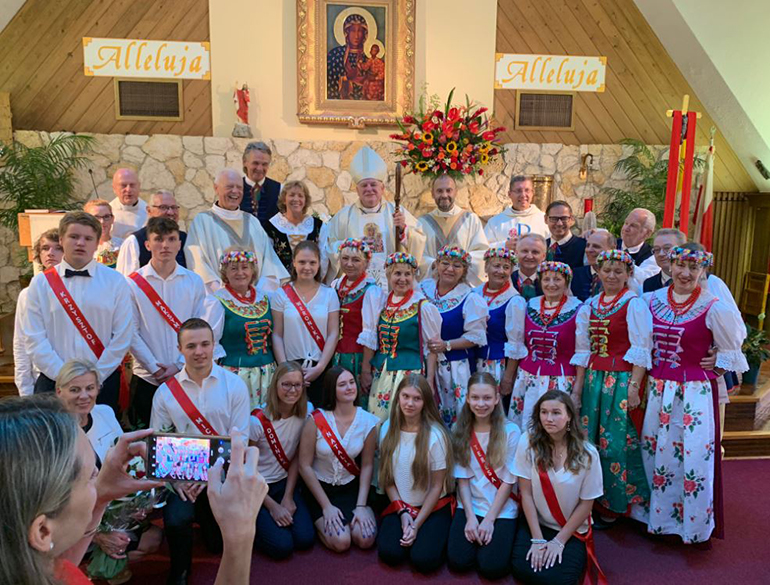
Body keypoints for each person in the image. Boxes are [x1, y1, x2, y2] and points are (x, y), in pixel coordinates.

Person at [0, 394, 267, 585]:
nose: (99, 473)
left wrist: (102, 494)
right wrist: (239, 537)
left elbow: (60, 567)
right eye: (91, 475)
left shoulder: (34, 567)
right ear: (43, 530)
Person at [638, 244, 748, 544]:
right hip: (658, 388)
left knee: (693, 454)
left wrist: (718, 364)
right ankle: (657, 518)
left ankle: (691, 525)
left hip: (694, 393)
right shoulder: (650, 300)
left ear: (703, 271)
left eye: (693, 268)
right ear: (669, 266)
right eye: (680, 266)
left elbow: (731, 353)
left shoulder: (714, 306)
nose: (685, 273)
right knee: (655, 450)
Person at [150, 318, 251, 582]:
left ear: (214, 345)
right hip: (182, 478)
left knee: (216, 543)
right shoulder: (165, 393)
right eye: (191, 346)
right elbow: (158, 444)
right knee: (175, 520)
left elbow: (240, 440)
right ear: (179, 349)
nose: (199, 352)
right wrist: (175, 480)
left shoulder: (235, 385)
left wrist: (210, 478)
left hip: (224, 475)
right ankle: (180, 572)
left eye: (205, 344)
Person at [55, 360, 162, 579]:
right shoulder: (51, 433)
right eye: (75, 390)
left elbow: (125, 464)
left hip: (111, 510)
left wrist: (135, 504)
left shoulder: (104, 412)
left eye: (90, 388)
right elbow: (52, 501)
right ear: (59, 392)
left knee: (151, 542)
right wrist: (98, 535)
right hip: (70, 522)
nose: (84, 396)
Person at [22, 211, 133, 413]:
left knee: (102, 442)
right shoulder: (41, 283)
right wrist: (64, 378)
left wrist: (94, 378)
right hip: (53, 383)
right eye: (74, 237)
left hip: (102, 382)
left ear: (97, 242)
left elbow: (123, 336)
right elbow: (33, 337)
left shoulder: (116, 282)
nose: (80, 243)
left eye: (88, 238)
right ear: (62, 239)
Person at [573, 250, 652, 525]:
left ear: (628, 274)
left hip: (619, 381)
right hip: (594, 380)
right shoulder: (591, 305)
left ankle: (617, 503)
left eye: (618, 271)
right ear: (599, 272)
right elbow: (583, 350)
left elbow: (641, 348)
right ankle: (591, 499)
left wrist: (634, 387)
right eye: (607, 270)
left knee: (616, 441)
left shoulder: (634, 304)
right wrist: (578, 388)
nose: (611, 275)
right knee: (590, 439)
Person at [511, 391, 605, 585]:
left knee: (560, 580)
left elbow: (586, 505)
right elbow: (525, 494)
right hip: (536, 524)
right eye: (544, 412)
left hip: (569, 528)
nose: (549, 418)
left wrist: (559, 541)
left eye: (556, 412)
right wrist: (537, 539)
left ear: (569, 415)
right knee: (522, 570)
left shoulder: (588, 454)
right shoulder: (527, 442)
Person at [126, 217, 207, 428]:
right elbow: (130, 331)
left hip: (186, 374)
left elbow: (199, 329)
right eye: (158, 239)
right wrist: (154, 368)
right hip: (146, 377)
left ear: (179, 244)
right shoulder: (132, 284)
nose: (165, 245)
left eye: (171, 239)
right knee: (145, 442)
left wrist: (179, 364)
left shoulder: (194, 281)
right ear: (147, 244)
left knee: (187, 440)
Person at [448, 372, 521, 580]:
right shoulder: (459, 429)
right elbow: (462, 477)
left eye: (487, 398)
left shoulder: (512, 431)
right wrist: (470, 517)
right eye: (476, 398)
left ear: (497, 399)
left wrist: (489, 519)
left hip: (501, 507)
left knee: (492, 568)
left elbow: (508, 480)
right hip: (470, 503)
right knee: (458, 562)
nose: (481, 404)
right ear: (468, 398)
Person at [378, 374, 454, 573]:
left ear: (425, 402)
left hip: (433, 506)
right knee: (390, 554)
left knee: (423, 560)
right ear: (398, 397)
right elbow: (388, 479)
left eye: (417, 398)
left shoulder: (436, 435)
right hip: (402, 505)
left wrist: (417, 524)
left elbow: (438, 486)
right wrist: (403, 513)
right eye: (405, 396)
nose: (409, 403)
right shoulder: (387, 429)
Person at [298, 366, 378, 552]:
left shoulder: (368, 422)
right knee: (342, 542)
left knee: (365, 539)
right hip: (320, 491)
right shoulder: (315, 419)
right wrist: (326, 507)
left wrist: (361, 505)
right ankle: (318, 519)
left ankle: (351, 517)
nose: (349, 388)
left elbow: (366, 466)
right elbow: (304, 466)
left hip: (351, 489)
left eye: (351, 382)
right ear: (331, 390)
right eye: (342, 384)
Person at [324, 146, 426, 288]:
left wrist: (404, 229)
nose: (369, 189)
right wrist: (347, 248)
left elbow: (419, 240)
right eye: (364, 185)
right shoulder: (343, 217)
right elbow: (329, 247)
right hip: (355, 285)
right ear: (357, 190)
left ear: (382, 189)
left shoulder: (397, 212)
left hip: (392, 285)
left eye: (373, 185)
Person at [507, 261, 584, 431]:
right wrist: (509, 378)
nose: (551, 284)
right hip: (528, 379)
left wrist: (577, 392)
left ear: (567, 282)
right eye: (546, 279)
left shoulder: (579, 309)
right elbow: (518, 344)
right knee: (527, 428)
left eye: (557, 279)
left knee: (556, 429)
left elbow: (582, 354)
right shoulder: (529, 305)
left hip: (561, 381)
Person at [185, 168, 288, 293]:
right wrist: (225, 296)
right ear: (216, 188)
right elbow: (199, 266)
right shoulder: (202, 222)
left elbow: (270, 265)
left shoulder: (252, 222)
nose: (235, 191)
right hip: (220, 300)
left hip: (256, 301)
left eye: (239, 187)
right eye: (229, 186)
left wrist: (258, 295)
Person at [249, 362, 315, 558]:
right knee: (282, 548)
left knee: (304, 539)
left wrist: (288, 496)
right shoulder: (257, 421)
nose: (292, 390)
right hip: (258, 487)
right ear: (275, 385)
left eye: (297, 385)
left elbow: (295, 457)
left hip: (284, 483)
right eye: (286, 384)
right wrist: (273, 506)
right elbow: (247, 469)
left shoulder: (306, 412)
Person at [369, 252, 442, 420]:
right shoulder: (383, 302)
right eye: (397, 273)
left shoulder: (422, 306)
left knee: (404, 419)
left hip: (409, 374)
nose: (402, 279)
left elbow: (432, 348)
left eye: (407, 274)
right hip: (383, 374)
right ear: (388, 275)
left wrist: (429, 380)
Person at [421, 246, 488, 426]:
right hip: (424, 362)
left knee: (456, 415)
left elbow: (476, 337)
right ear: (436, 265)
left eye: (457, 266)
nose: (450, 269)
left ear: (464, 271)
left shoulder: (470, 298)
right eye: (445, 263)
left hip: (455, 367)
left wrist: (446, 345)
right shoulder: (424, 289)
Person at [207, 246, 276, 409]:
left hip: (268, 375)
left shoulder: (266, 298)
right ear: (225, 272)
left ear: (253, 270)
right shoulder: (216, 302)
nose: (240, 273)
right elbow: (211, 343)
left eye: (245, 267)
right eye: (233, 268)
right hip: (234, 375)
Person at [272, 241, 340, 406]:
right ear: (294, 263)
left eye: (312, 262)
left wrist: (320, 367)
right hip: (290, 367)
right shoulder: (281, 294)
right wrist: (286, 370)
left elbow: (333, 333)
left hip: (321, 368)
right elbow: (277, 334)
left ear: (319, 264)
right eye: (302, 262)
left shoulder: (329, 294)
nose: (307, 267)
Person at [330, 238, 385, 407]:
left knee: (357, 402)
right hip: (336, 356)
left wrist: (366, 370)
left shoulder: (371, 291)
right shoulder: (336, 285)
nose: (349, 264)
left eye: (356, 260)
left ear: (367, 263)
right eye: (345, 258)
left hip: (358, 358)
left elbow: (370, 332)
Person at [474, 248, 527, 410]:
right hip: (472, 361)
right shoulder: (475, 293)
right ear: (486, 268)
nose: (501, 271)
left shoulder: (514, 300)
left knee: (493, 409)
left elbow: (516, 342)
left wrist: (507, 378)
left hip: (497, 365)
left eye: (506, 267)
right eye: (496, 266)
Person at [14, 228, 63, 396]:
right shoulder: (28, 294)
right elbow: (21, 341)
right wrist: (24, 387)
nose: (51, 253)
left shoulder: (79, 290)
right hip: (41, 377)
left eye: (58, 248)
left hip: (75, 376)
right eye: (45, 248)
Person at [417, 174, 489, 286]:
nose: (444, 195)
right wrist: (434, 264)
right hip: (432, 287)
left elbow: (481, 253)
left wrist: (459, 264)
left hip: (463, 286)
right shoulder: (422, 222)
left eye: (448, 190)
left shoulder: (470, 219)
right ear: (432, 193)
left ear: (456, 192)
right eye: (439, 191)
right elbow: (418, 255)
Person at [260, 180, 328, 276]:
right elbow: (268, 258)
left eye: (300, 196)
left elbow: (324, 257)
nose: (296, 199)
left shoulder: (318, 226)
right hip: (280, 285)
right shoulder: (271, 226)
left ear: (305, 200)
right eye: (292, 195)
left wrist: (316, 281)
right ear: (284, 199)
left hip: (310, 283)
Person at [116, 190, 188, 275]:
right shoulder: (134, 242)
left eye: (174, 207)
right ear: (149, 211)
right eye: (163, 207)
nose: (170, 212)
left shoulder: (185, 239)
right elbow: (126, 283)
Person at [484, 175, 550, 249]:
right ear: (509, 194)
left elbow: (553, 247)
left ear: (532, 193)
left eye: (527, 190)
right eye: (518, 191)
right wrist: (504, 245)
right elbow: (481, 249)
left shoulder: (545, 220)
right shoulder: (494, 222)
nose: (523, 195)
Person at [327, 13, 370, 100]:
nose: (356, 36)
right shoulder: (335, 54)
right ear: (347, 33)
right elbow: (328, 83)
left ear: (364, 34)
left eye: (360, 31)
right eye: (353, 31)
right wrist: (346, 78)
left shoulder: (368, 59)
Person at [240, 141, 281, 221]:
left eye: (264, 164)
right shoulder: (235, 188)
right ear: (245, 162)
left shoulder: (279, 190)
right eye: (255, 163)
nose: (259, 168)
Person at [571, 229, 615, 301]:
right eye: (588, 246)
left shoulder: (618, 277)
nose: (589, 250)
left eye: (596, 246)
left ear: (612, 249)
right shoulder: (574, 275)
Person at [618, 208, 660, 285]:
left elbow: (644, 280)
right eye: (626, 223)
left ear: (647, 233)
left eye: (633, 226)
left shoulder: (652, 256)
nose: (626, 229)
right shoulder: (611, 244)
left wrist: (621, 259)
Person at [545, 201, 585, 270]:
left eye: (564, 218)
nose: (559, 223)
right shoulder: (542, 247)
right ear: (545, 219)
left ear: (571, 219)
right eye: (554, 219)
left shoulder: (583, 247)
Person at [109, 168, 147, 240]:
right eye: (123, 185)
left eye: (132, 185)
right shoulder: (107, 213)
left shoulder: (149, 211)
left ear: (139, 186)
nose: (128, 190)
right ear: (114, 188)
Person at [84, 199, 123, 268]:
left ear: (112, 219)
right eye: (96, 217)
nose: (102, 221)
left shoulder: (122, 245)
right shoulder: (81, 246)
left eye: (106, 217)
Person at [512, 233, 547, 300]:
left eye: (535, 252)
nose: (529, 256)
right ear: (516, 253)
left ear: (543, 256)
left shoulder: (549, 283)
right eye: (525, 251)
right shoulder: (507, 280)